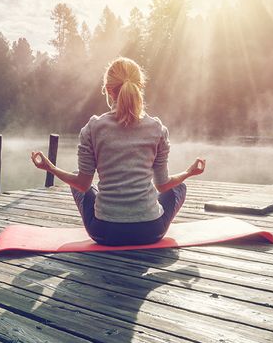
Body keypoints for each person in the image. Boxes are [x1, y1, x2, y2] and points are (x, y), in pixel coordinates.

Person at [31, 57, 205, 245]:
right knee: (178, 187)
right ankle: (144, 209)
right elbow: (163, 185)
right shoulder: (157, 129)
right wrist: (189, 172)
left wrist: (51, 168)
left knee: (82, 183)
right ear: (140, 88)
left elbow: (82, 184)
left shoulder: (93, 128)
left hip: (104, 233)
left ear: (107, 90)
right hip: (151, 231)